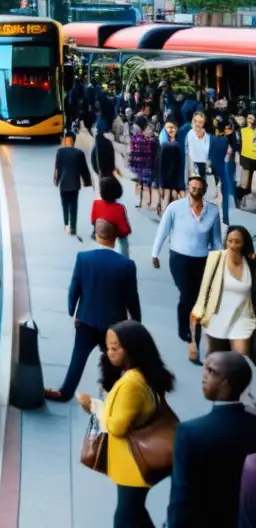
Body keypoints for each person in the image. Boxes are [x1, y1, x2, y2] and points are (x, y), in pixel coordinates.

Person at [77, 321, 174, 528]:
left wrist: (93, 406)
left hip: (133, 464)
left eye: (115, 348)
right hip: (138, 462)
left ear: (131, 349)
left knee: (125, 515)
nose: (108, 352)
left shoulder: (130, 383)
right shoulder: (145, 375)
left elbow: (116, 427)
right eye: (108, 347)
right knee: (134, 511)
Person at [45, 220, 141, 402]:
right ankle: (111, 395)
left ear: (96, 235)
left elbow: (75, 288)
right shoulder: (127, 265)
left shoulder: (84, 258)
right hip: (114, 324)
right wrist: (135, 323)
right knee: (113, 360)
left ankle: (65, 392)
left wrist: (72, 310)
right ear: (115, 239)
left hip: (86, 319)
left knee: (78, 357)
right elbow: (132, 298)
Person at [166, 351, 256, 528]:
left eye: (211, 371)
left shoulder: (189, 433)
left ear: (226, 383)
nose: (203, 377)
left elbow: (181, 498)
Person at [153, 176, 223, 364]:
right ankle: (189, 334)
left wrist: (221, 260)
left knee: (195, 299)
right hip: (179, 259)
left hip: (202, 260)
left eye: (199, 187)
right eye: (192, 187)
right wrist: (155, 253)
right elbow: (163, 230)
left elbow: (216, 240)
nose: (196, 190)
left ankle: (192, 337)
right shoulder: (175, 208)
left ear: (204, 190)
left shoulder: (213, 211)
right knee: (189, 296)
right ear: (188, 188)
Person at [192, 225, 256, 358]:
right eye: (230, 241)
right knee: (216, 361)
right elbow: (205, 290)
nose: (232, 245)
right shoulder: (215, 258)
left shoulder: (250, 263)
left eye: (237, 242)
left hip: (243, 319)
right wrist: (197, 316)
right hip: (217, 318)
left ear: (244, 244)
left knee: (241, 361)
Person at [54, 134, 92, 236]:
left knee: (65, 205)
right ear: (74, 141)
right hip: (75, 184)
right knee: (74, 205)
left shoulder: (60, 152)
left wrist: (56, 181)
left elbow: (58, 168)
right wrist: (87, 182)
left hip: (63, 183)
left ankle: (66, 224)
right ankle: (73, 227)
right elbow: (84, 170)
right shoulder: (79, 153)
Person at [92, 178, 132, 255]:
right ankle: (124, 260)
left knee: (102, 242)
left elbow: (93, 220)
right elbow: (123, 227)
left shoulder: (96, 204)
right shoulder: (119, 207)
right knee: (124, 243)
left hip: (101, 231)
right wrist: (128, 231)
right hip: (116, 231)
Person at [156, 121, 185, 217]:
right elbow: (160, 166)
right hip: (168, 182)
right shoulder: (166, 145)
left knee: (172, 207)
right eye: (169, 127)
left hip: (171, 182)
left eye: (173, 127)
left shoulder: (176, 145)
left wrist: (180, 187)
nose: (171, 130)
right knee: (170, 205)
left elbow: (180, 166)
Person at [129, 122, 159, 210]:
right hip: (142, 168)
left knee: (148, 185)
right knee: (143, 185)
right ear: (144, 131)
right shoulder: (141, 141)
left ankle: (149, 202)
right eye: (147, 130)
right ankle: (143, 202)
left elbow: (156, 156)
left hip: (151, 167)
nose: (149, 131)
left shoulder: (154, 142)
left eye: (151, 130)